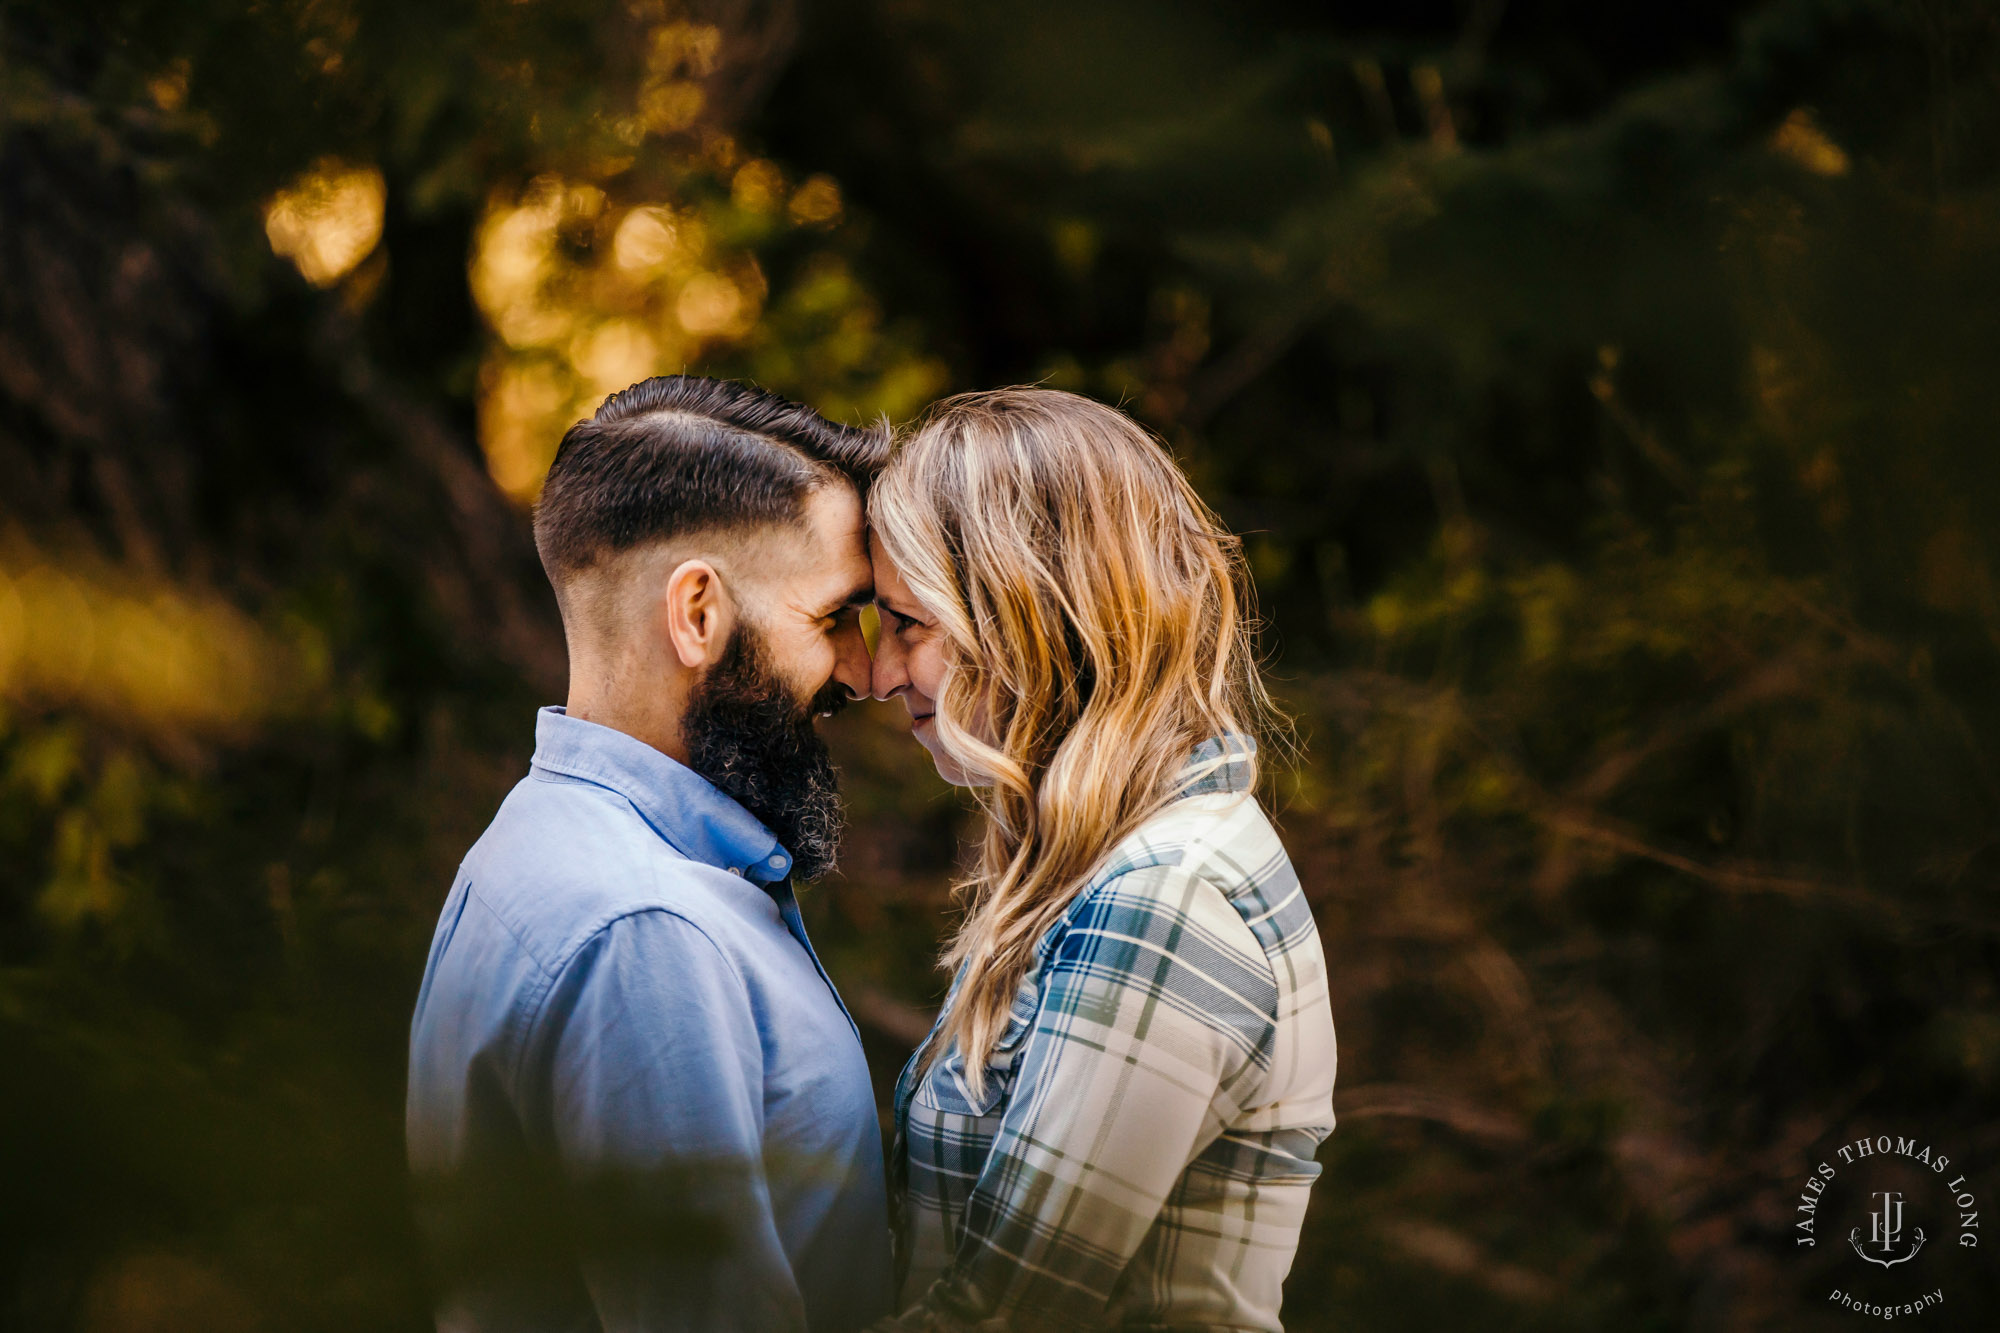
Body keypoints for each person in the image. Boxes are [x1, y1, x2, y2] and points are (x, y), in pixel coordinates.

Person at [406, 376, 893, 1333]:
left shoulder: (531, 846)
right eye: (834, 616)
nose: (864, 669)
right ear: (698, 613)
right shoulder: (642, 929)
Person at [866, 388, 1337, 1331]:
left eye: (907, 625)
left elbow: (1003, 1316)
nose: (880, 674)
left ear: (1027, 613)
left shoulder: (1162, 897)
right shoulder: (1112, 865)